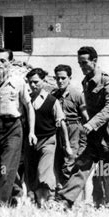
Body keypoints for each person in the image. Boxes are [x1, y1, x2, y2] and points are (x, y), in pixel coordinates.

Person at [56, 46, 109, 209]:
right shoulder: (85, 82)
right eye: (79, 64)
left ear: (94, 61)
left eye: (84, 63)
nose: (82, 67)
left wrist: (91, 124)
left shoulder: (108, 81)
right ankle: (65, 200)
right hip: (94, 134)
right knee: (82, 165)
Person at [0, 48, 37, 206]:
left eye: (3, 61)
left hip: (13, 128)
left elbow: (29, 107)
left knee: (7, 166)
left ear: (10, 62)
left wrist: (31, 132)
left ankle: (1, 204)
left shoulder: (18, 81)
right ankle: (16, 191)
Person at [26, 68, 71, 207]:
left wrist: (67, 145)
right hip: (31, 142)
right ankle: (37, 204)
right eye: (30, 82)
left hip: (48, 140)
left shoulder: (52, 101)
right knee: (31, 175)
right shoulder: (26, 99)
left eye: (36, 82)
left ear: (44, 81)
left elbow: (61, 122)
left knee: (43, 172)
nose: (33, 85)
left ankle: (48, 200)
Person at [51, 65, 87, 193]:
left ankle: (69, 197)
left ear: (69, 78)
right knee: (57, 164)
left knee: (69, 163)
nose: (60, 81)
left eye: (63, 78)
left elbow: (85, 117)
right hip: (57, 130)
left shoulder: (77, 95)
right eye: (57, 78)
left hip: (73, 129)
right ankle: (60, 195)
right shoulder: (53, 95)